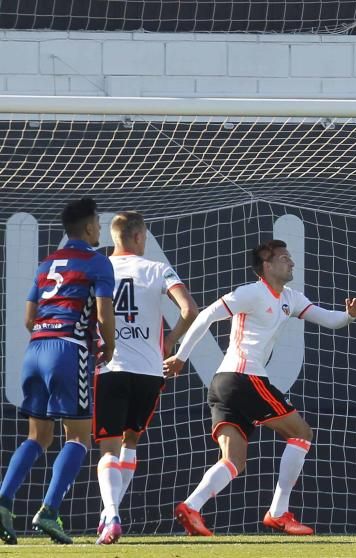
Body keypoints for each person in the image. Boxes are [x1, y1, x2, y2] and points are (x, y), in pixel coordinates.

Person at [165, 240, 356, 536]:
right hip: (244, 379)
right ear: (267, 266)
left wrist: (349, 315)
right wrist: (181, 356)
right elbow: (206, 315)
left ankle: (191, 507)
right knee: (301, 433)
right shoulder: (251, 293)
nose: (292, 263)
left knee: (234, 459)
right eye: (285, 258)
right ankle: (279, 512)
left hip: (224, 383)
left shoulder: (291, 298)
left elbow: (329, 319)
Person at [0, 197, 116, 545]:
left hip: (34, 348)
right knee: (78, 437)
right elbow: (104, 312)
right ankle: (49, 511)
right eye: (97, 222)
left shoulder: (46, 263)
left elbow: (28, 318)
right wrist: (107, 347)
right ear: (89, 227)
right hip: (69, 350)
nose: (100, 228)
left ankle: (4, 500)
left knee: (38, 436)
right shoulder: (98, 263)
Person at [93, 211, 199, 544]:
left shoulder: (99, 268)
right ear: (140, 237)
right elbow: (190, 310)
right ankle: (110, 515)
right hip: (150, 372)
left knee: (108, 447)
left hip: (110, 367)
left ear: (114, 238)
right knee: (130, 441)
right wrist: (170, 341)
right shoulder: (157, 269)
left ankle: (111, 514)